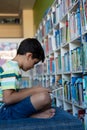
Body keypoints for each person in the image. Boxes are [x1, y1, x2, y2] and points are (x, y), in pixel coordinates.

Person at [0, 38, 55, 120]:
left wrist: (35, 89)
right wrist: (34, 91)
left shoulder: (11, 66)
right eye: (34, 63)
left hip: (6, 108)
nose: (33, 67)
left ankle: (31, 115)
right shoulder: (11, 69)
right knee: (44, 97)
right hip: (3, 111)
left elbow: (14, 92)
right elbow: (7, 99)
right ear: (29, 56)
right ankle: (31, 116)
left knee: (45, 98)